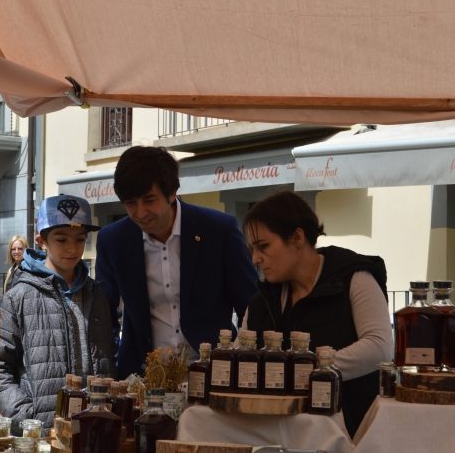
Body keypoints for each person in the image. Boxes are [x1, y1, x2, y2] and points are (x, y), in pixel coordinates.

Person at [95, 146, 259, 378]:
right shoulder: (112, 240)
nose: (140, 213)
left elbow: (251, 307)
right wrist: (111, 367)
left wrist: (241, 361)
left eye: (149, 200)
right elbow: (103, 316)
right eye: (130, 203)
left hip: (214, 373)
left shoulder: (218, 230)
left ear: (172, 193)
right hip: (142, 378)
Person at [241, 190, 392, 438]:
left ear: (297, 237)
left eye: (263, 246)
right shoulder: (261, 303)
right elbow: (240, 357)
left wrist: (305, 371)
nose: (256, 258)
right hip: (275, 433)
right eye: (253, 249)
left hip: (355, 433)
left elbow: (379, 347)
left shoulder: (354, 279)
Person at [0, 195, 116, 433]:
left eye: (80, 239)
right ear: (42, 241)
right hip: (42, 434)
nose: (72, 248)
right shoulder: (19, 296)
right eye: (61, 240)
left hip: (96, 429)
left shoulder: (98, 294)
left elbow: (107, 361)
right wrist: (27, 417)